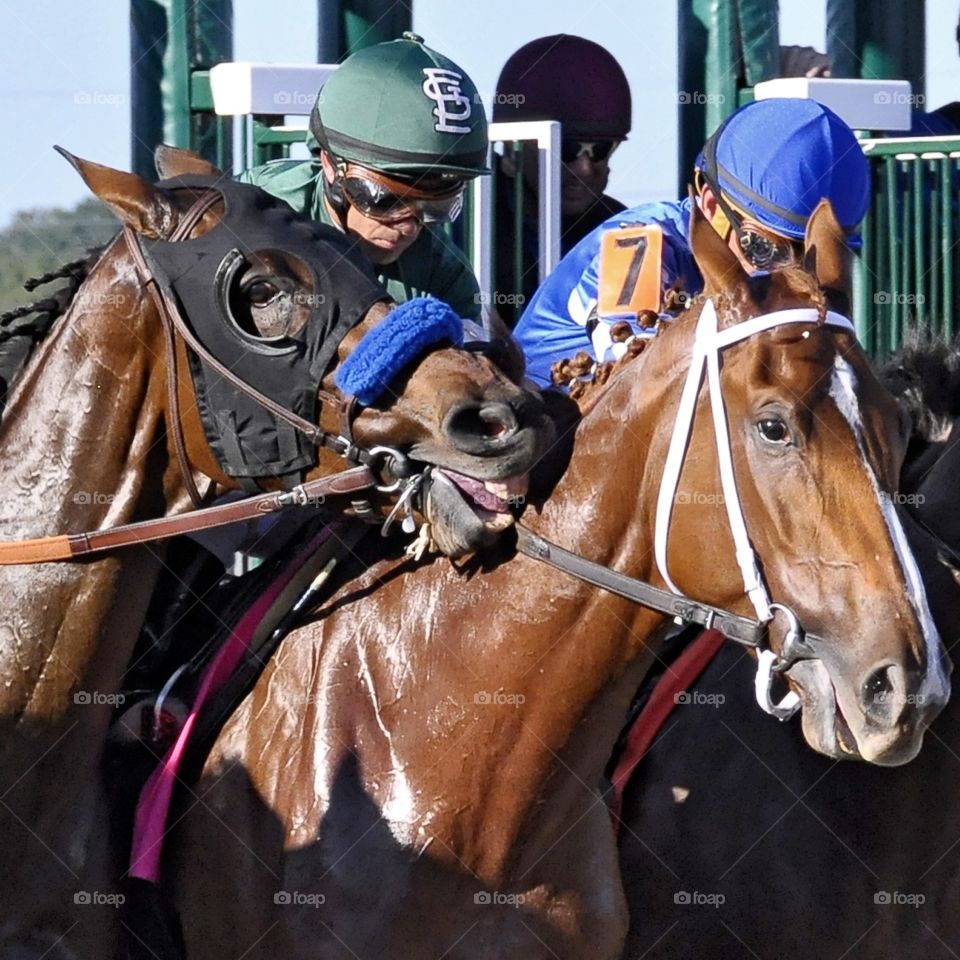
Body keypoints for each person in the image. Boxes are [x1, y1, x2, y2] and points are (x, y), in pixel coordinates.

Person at [513, 97, 871, 388]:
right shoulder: (640, 240)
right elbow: (633, 377)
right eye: (768, 251)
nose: (793, 280)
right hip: (544, 429)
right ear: (712, 207)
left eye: (814, 262)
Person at [239, 33, 489, 320]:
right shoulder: (248, 214)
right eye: (385, 200)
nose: (408, 229)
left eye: (434, 208)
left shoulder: (444, 272)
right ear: (330, 165)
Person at [491, 35, 632, 325]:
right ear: (511, 150)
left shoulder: (618, 228)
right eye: (565, 149)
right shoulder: (463, 224)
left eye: (601, 150)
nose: (584, 169)